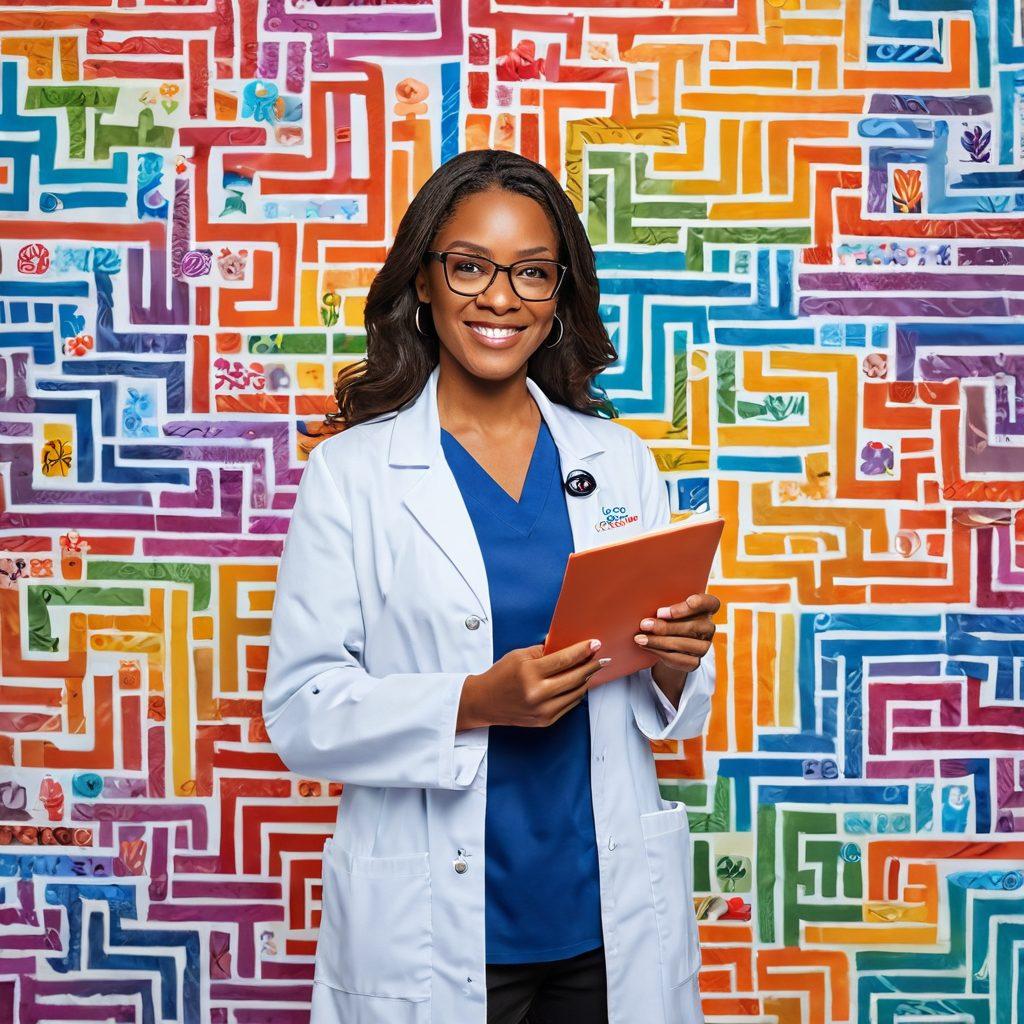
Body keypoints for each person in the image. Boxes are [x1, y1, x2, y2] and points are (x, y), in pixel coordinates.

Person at [263, 148, 719, 1024]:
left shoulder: (618, 462)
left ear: (559, 298)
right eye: (469, 266)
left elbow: (664, 700)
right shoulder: (354, 475)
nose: (500, 297)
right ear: (424, 282)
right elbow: (302, 711)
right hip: (436, 927)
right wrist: (473, 701)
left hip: (605, 914)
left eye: (532, 273)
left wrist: (672, 661)